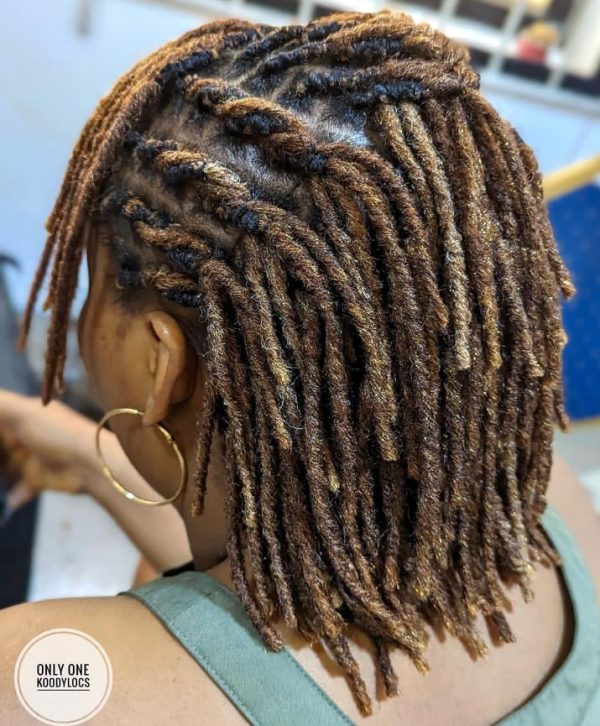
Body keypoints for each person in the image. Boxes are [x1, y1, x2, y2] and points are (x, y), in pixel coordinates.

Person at [1, 10, 599, 724]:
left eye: (91, 285)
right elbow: (259, 590)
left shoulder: (39, 679)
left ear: (162, 364)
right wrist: (86, 459)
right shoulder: (551, 511)